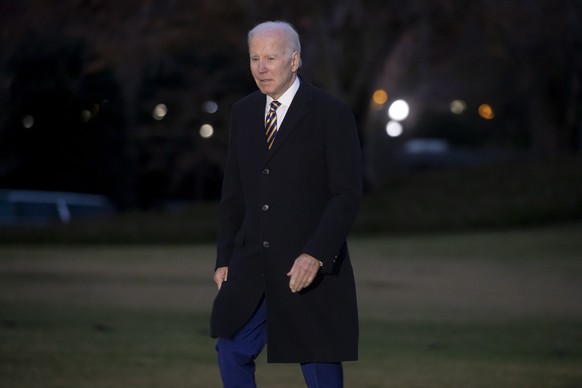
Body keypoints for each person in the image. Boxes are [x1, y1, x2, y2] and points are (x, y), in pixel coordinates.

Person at [210, 20, 363, 387]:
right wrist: (224, 257)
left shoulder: (330, 113)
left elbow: (347, 193)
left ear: (294, 61)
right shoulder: (243, 113)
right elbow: (234, 193)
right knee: (231, 351)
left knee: (318, 361)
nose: (261, 68)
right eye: (254, 58)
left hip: (307, 267)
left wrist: (316, 254)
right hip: (252, 264)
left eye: (271, 58)